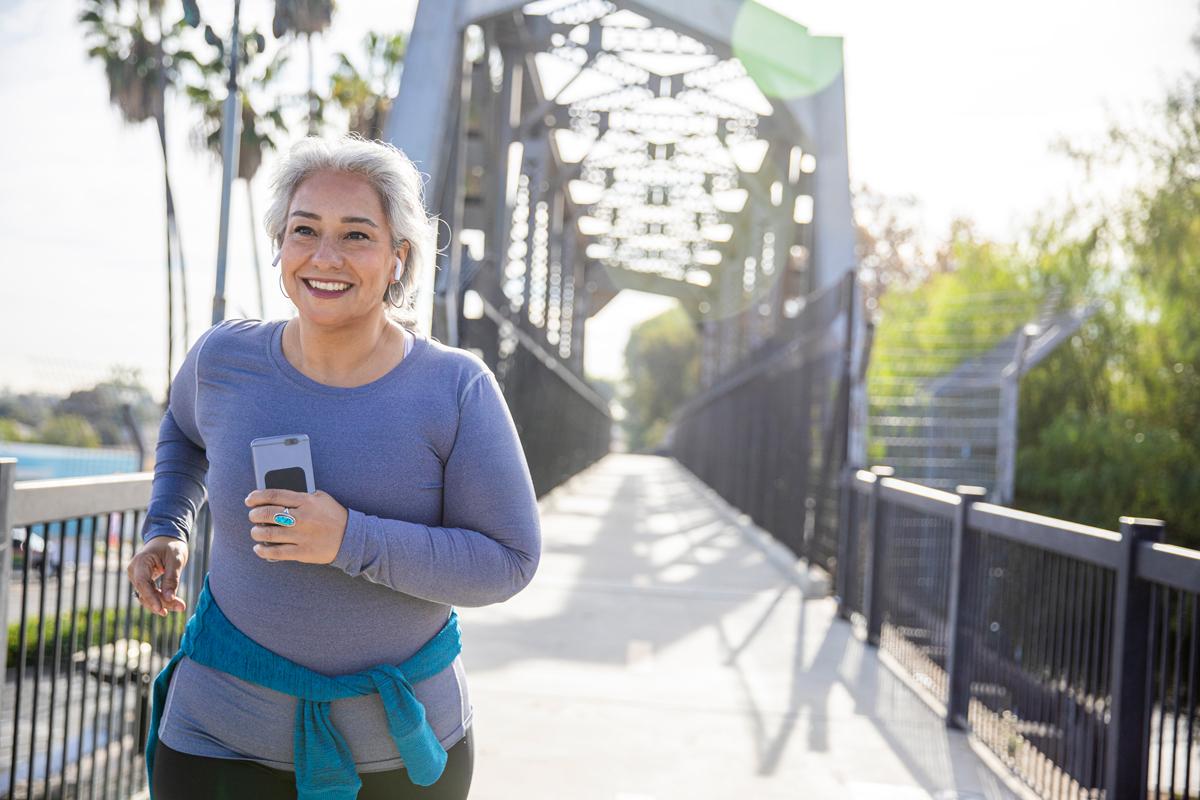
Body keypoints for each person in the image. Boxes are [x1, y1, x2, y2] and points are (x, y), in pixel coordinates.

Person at [127, 134, 541, 800]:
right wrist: (167, 525)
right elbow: (182, 432)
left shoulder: (456, 389)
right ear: (280, 247)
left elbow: (509, 560)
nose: (325, 257)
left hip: (402, 761)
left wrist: (350, 540)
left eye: (355, 235)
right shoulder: (223, 360)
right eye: (304, 231)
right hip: (215, 742)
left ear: (397, 259)